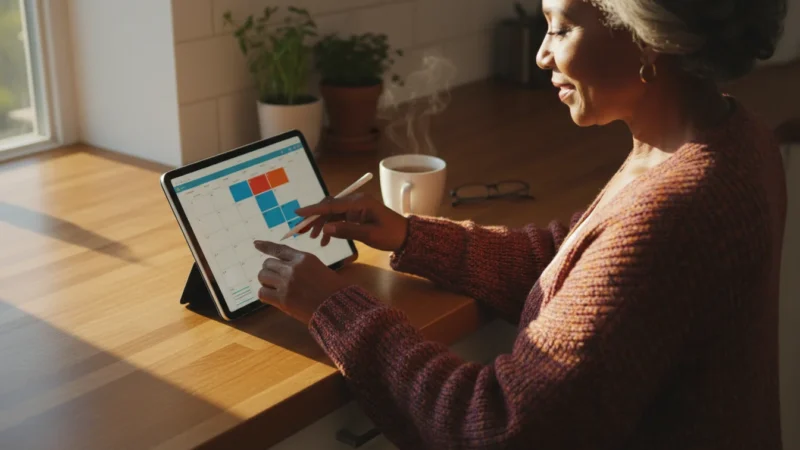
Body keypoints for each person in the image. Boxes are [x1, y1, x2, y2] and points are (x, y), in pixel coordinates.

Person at [253, 0, 788, 447]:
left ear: (648, 39)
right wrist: (411, 235)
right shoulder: (726, 136)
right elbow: (580, 262)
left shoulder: (677, 209)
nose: (541, 53)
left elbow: (498, 426)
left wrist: (334, 309)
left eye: (562, 27)